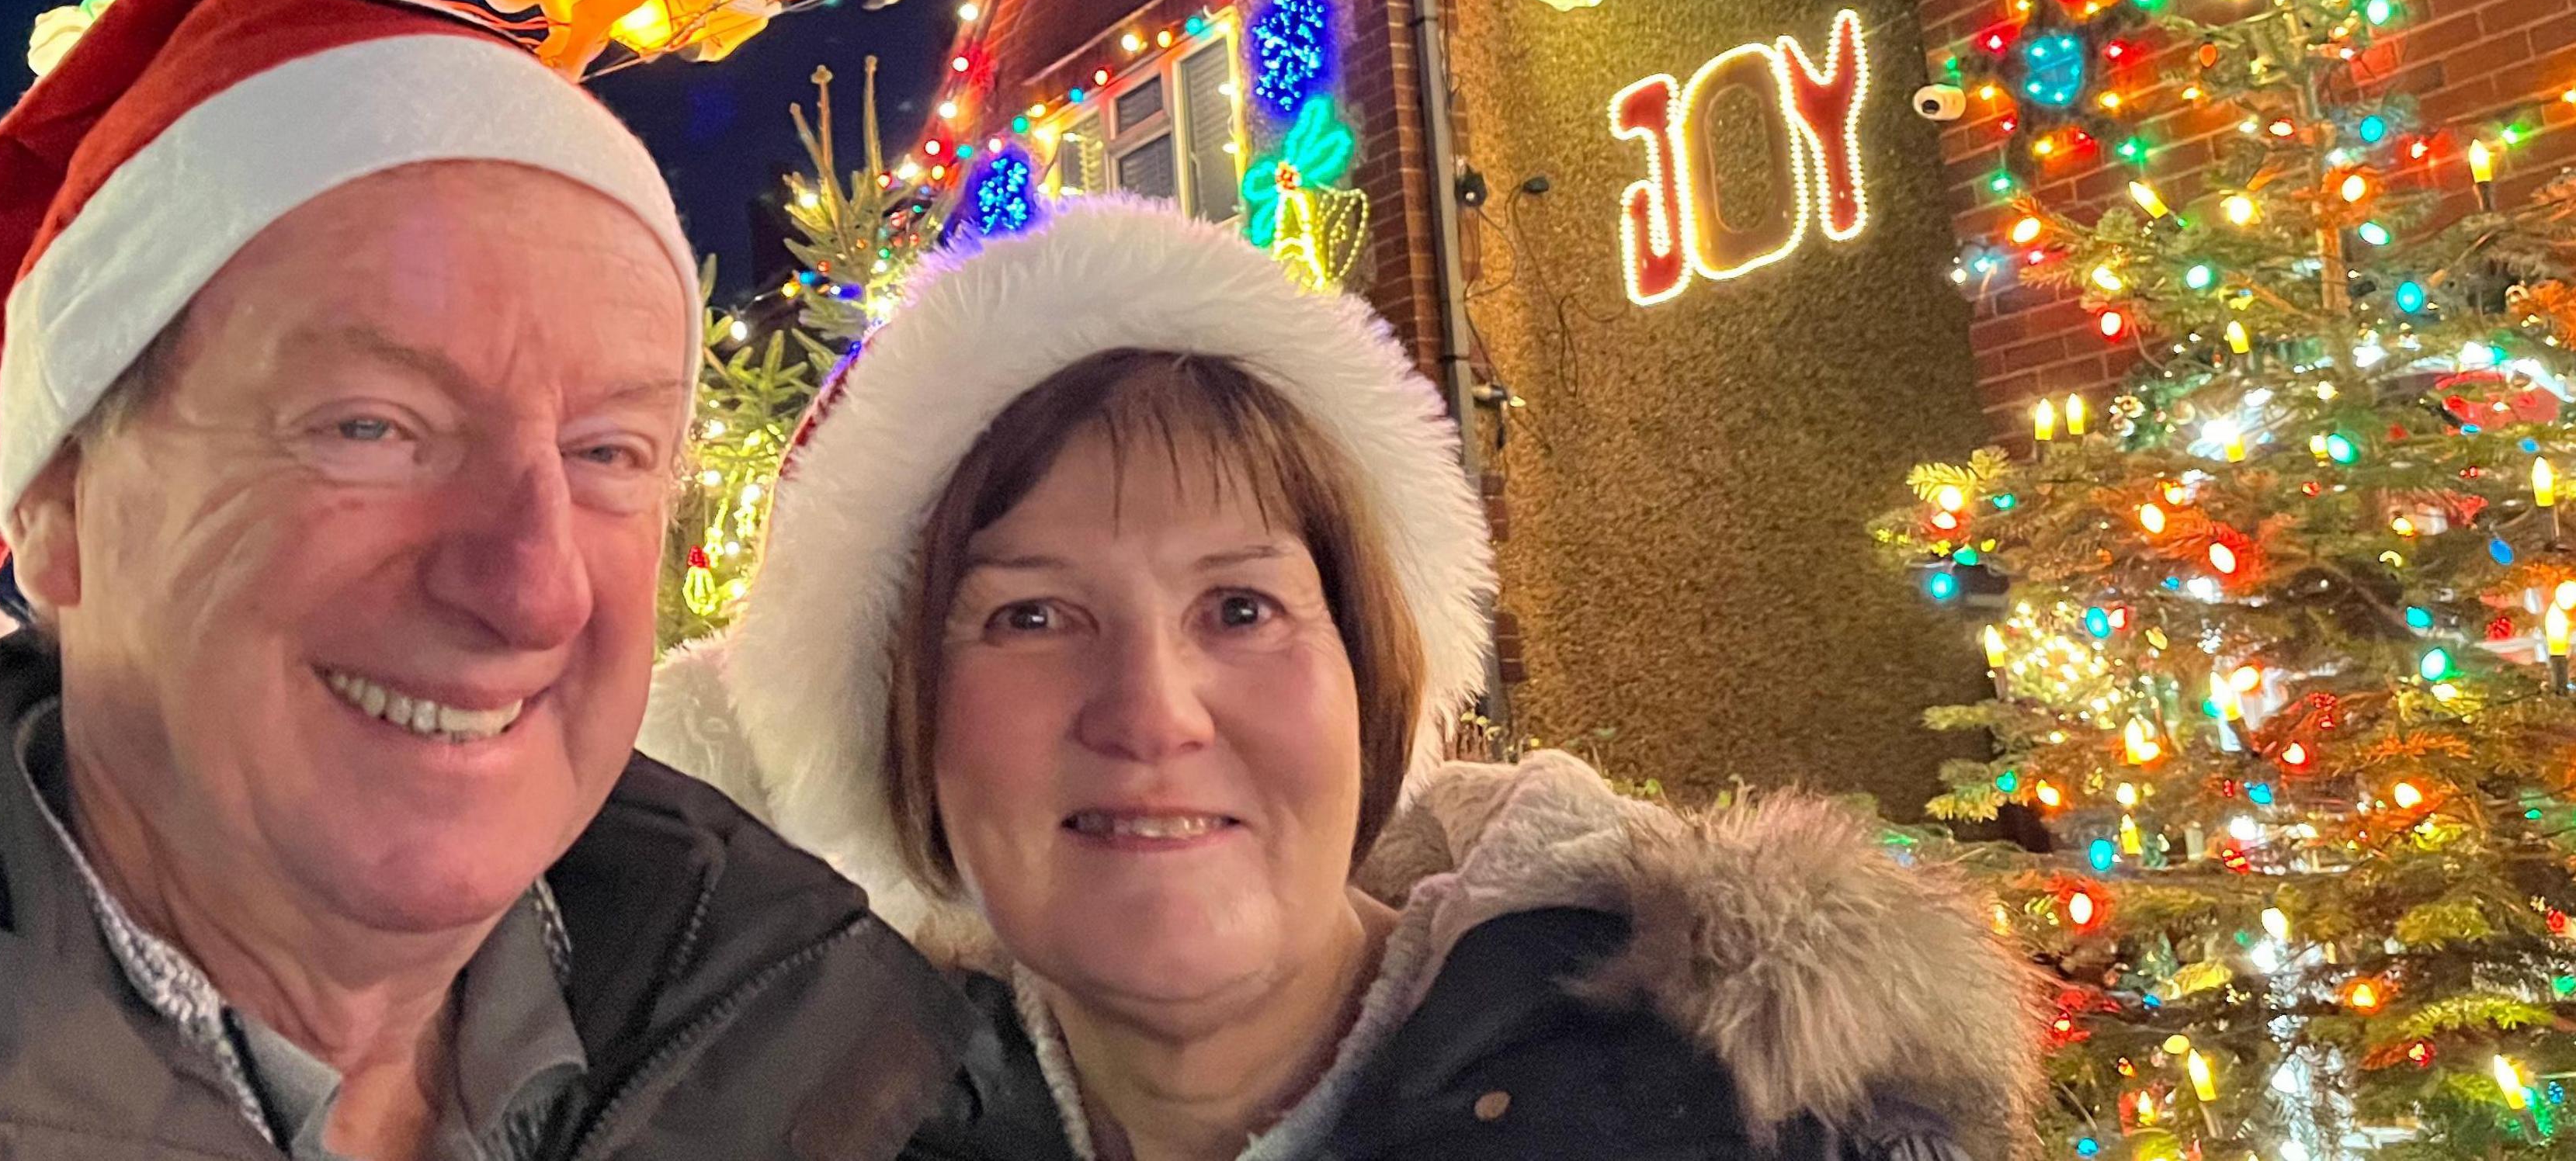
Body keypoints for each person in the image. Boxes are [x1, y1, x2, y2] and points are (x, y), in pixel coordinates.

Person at [0, 0, 982, 1160]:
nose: (535, 584)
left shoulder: (843, 1063)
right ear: (62, 511)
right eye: (373, 426)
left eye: (608, 453)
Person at [644, 199, 2040, 1160]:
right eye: (1029, 617)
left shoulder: (1759, 1119)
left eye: (1241, 607)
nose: (1151, 712)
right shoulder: (830, 1120)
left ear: (1369, 683)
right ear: (910, 737)